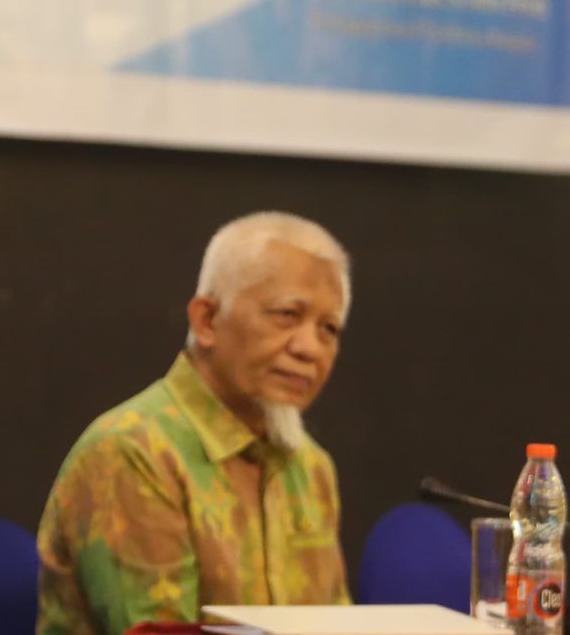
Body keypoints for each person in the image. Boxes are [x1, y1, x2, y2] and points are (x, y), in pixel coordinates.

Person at [36, 212, 352, 635]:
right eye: (287, 314)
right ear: (207, 320)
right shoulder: (131, 453)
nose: (310, 348)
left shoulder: (312, 468)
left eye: (329, 328)